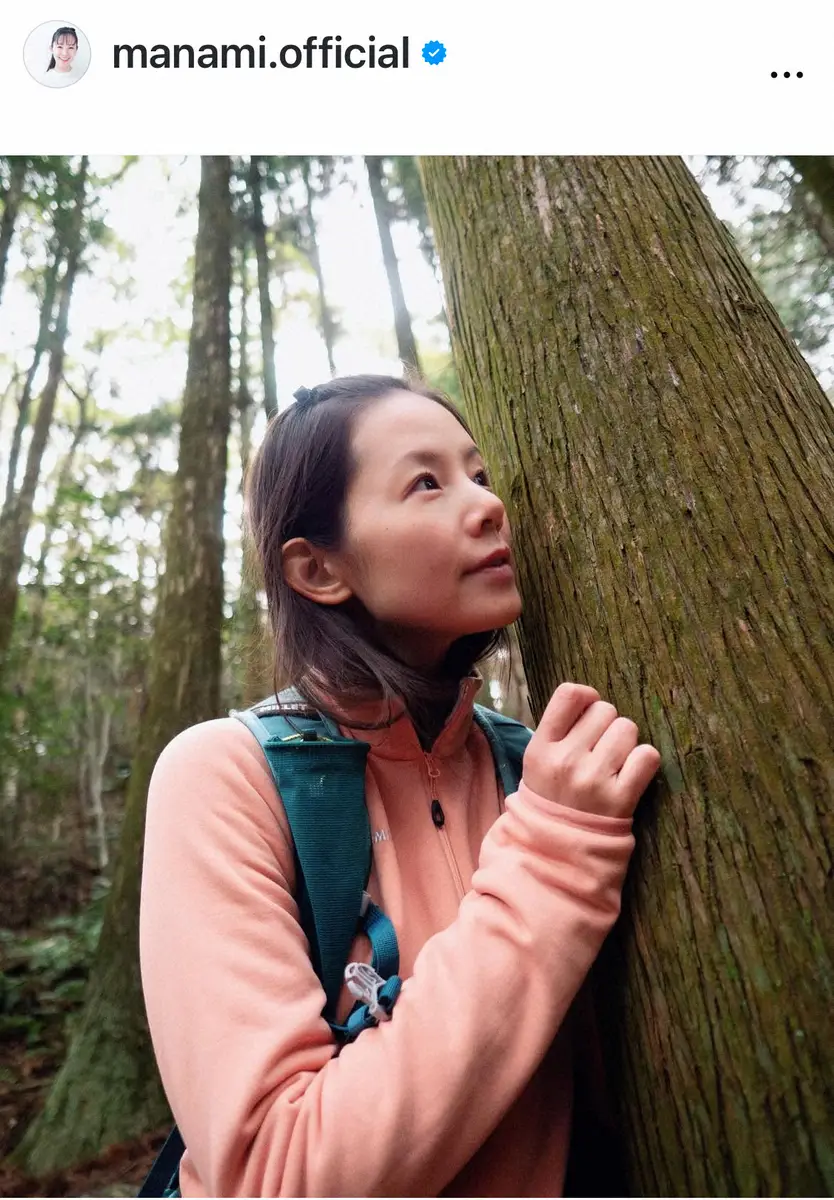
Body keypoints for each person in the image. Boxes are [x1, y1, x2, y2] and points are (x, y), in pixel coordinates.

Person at [139, 373, 661, 1196]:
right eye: (426, 483)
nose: (489, 507)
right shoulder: (225, 776)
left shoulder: (538, 770)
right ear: (317, 570)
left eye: (480, 476)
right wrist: (557, 858)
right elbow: (279, 1172)